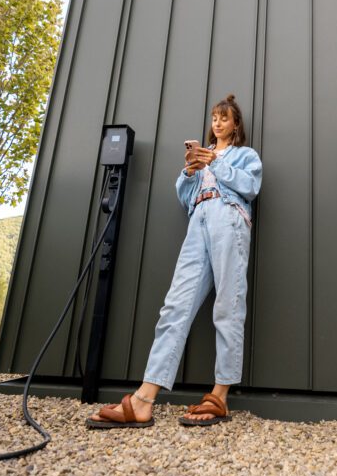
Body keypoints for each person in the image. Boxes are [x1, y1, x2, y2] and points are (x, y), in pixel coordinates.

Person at [87, 94, 263, 428]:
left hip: (229, 217)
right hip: (199, 220)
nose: (218, 123)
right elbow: (185, 199)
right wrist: (189, 170)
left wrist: (215, 162)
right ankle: (144, 398)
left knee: (228, 305)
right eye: (214, 118)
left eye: (224, 118)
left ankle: (220, 396)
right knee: (175, 306)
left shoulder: (245, 155)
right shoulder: (202, 159)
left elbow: (249, 186)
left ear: (235, 124)